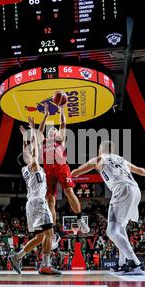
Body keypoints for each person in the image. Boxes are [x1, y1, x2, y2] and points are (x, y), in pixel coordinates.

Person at [71, 140, 145, 275]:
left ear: (101, 149)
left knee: (111, 232)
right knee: (121, 230)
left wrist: (69, 173)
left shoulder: (100, 158)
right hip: (136, 190)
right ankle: (122, 263)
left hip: (121, 190)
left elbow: (76, 173)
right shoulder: (122, 160)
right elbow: (141, 171)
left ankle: (136, 264)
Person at [9, 117, 61, 275]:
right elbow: (36, 145)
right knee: (49, 233)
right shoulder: (33, 165)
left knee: (40, 237)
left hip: (32, 203)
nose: (34, 153)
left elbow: (28, 147)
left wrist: (26, 136)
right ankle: (46, 265)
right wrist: (33, 127)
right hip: (38, 202)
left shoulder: (27, 168)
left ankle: (17, 257)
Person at [36, 98, 90, 237]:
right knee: (50, 200)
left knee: (69, 192)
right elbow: (39, 132)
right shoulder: (44, 141)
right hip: (48, 172)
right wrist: (46, 115)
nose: (52, 130)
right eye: (51, 129)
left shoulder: (60, 139)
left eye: (54, 129)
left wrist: (61, 109)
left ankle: (80, 219)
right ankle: (52, 232)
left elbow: (63, 123)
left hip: (61, 168)